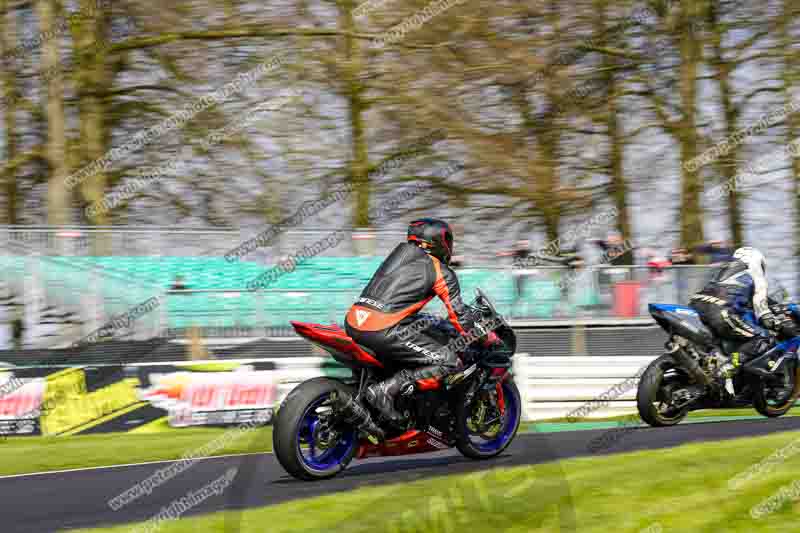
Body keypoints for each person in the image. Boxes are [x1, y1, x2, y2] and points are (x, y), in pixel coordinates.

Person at [345, 218, 500, 424]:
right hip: (382, 329)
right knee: (448, 361)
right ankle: (385, 391)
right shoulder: (439, 269)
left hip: (354, 321)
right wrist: (484, 335)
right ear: (439, 241)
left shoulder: (397, 256)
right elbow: (458, 316)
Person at [689, 247, 796, 379]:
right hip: (721, 311)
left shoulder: (720, 269)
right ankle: (729, 366)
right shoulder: (755, 274)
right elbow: (763, 312)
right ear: (757, 261)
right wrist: (778, 325)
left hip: (696, 307)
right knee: (762, 338)